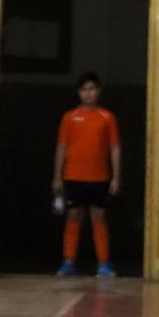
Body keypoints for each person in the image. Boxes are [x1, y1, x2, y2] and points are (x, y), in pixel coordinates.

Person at [53, 71, 120, 278]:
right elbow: (62, 147)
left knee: (99, 217)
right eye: (84, 90)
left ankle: (103, 264)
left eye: (91, 89)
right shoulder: (69, 117)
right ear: (79, 93)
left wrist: (116, 176)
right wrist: (57, 176)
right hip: (74, 175)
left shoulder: (107, 118)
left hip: (99, 177)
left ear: (98, 91)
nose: (88, 94)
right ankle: (68, 261)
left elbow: (114, 148)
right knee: (73, 216)